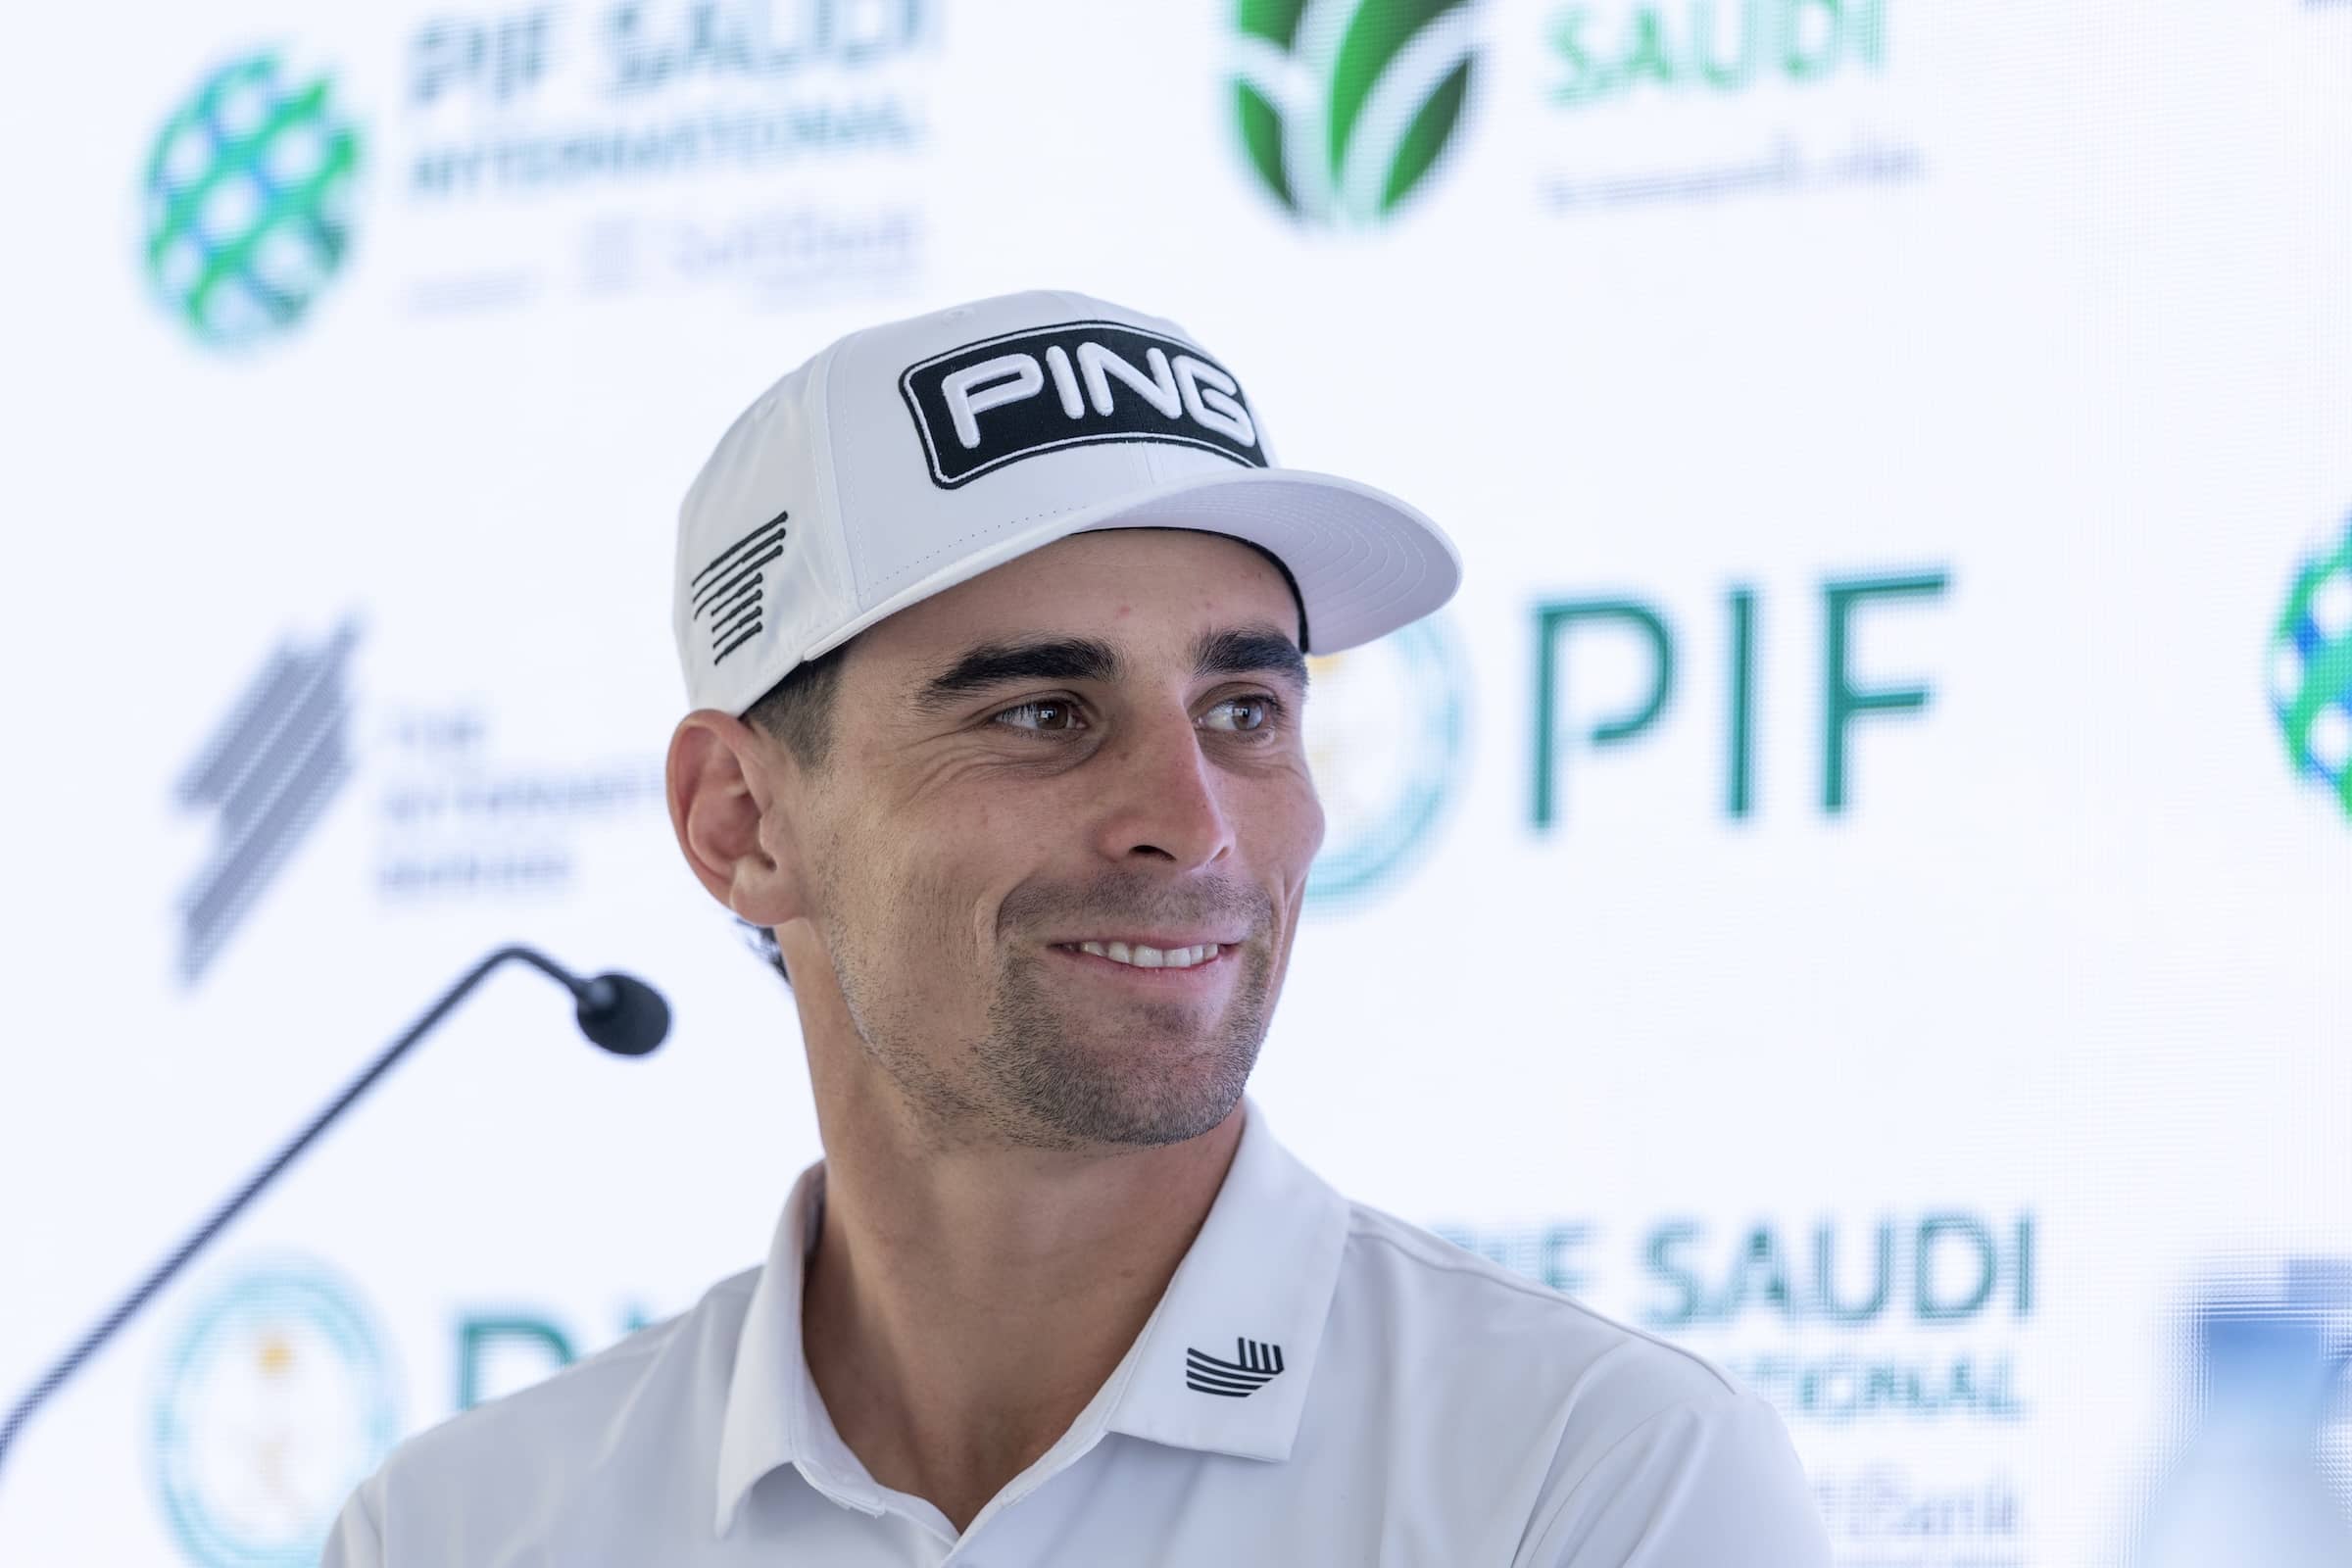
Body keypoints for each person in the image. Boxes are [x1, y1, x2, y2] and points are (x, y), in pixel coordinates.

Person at [322, 289, 1833, 1565]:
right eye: (1043, 713)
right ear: (742, 821)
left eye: (1245, 709)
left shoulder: (1595, 1482)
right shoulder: (463, 1530)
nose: (1193, 817)